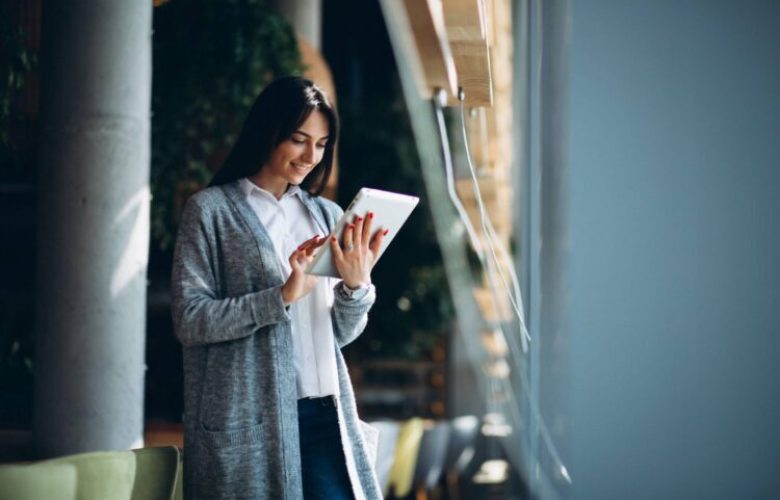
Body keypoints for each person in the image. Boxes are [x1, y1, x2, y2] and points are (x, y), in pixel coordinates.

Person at [171, 76, 386, 499]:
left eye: (322, 144)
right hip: (253, 422)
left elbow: (337, 335)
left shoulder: (326, 215)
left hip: (328, 413)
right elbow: (190, 320)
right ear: (268, 131)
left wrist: (356, 287)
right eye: (298, 139)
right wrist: (281, 297)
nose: (311, 156)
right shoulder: (210, 212)